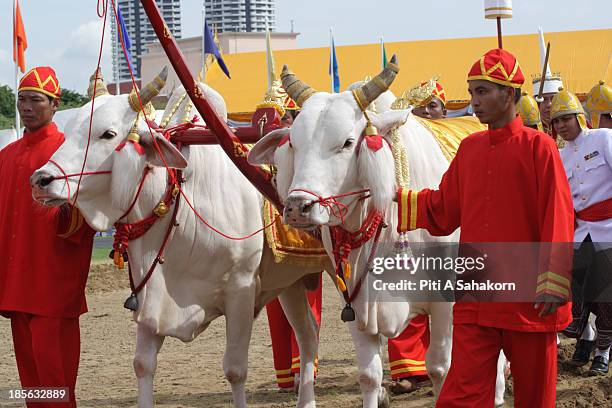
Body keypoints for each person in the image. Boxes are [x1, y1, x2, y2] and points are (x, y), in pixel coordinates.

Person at [396, 49, 574, 407]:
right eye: (472, 91)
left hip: (529, 297)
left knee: (535, 396)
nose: (473, 101)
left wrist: (553, 280)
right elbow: (444, 209)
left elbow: (558, 213)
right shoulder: (469, 148)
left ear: (508, 94)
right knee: (461, 395)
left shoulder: (540, 146)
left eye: (482, 92)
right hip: (477, 294)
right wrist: (390, 198)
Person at [0, 66, 95, 407]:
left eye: (36, 100)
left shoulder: (68, 152)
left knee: (55, 378)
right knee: (32, 382)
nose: (26, 106)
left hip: (54, 281)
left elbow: (89, 214)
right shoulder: (6, 156)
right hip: (15, 283)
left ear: (55, 104)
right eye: (21, 99)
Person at [385, 77, 447, 395]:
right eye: (419, 109)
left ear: (444, 111)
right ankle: (410, 366)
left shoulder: (450, 141)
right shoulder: (397, 142)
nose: (425, 113)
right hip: (403, 226)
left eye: (432, 107)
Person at [555, 87, 612, 375]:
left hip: (608, 229)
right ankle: (586, 338)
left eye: (566, 118)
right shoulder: (560, 156)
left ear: (580, 117)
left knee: (605, 294)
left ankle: (604, 351)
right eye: (556, 121)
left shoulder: (603, 138)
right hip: (579, 232)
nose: (561, 125)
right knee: (575, 292)